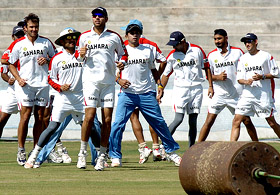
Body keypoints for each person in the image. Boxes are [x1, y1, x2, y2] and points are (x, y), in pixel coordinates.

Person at [109, 23, 181, 168]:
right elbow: (110, 70)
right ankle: (115, 156)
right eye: (131, 32)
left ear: (140, 34)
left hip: (147, 92)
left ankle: (171, 152)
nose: (134, 35)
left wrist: (159, 84)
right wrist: (119, 80)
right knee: (117, 125)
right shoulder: (120, 50)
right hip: (127, 94)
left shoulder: (149, 48)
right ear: (126, 35)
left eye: (137, 32)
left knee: (159, 123)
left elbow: (156, 66)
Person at [24, 27, 84, 168]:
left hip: (81, 97)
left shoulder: (83, 55)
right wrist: (60, 87)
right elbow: (50, 78)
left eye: (74, 38)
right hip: (63, 98)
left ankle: (97, 157)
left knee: (93, 127)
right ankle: (34, 157)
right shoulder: (57, 58)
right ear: (62, 41)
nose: (71, 41)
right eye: (68, 39)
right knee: (52, 127)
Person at [76, 7, 128, 171]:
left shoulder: (114, 36)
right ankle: (82, 154)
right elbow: (79, 58)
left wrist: (122, 63)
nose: (97, 18)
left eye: (100, 16)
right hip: (91, 82)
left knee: (107, 120)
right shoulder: (84, 36)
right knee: (89, 117)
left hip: (108, 83)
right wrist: (81, 54)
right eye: (95, 16)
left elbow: (123, 54)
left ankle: (102, 156)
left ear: (106, 18)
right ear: (92, 18)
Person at [8, 13, 56, 165]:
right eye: (31, 27)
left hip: (42, 84)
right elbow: (10, 63)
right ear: (25, 28)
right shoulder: (19, 44)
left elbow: (56, 60)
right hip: (26, 85)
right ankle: (21, 149)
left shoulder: (46, 42)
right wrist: (18, 78)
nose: (34, 29)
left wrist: (47, 59)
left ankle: (36, 150)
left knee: (41, 118)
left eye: (36, 27)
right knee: (25, 116)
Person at [118, 19, 167, 163]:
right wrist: (157, 80)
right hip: (148, 85)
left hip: (134, 87)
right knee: (152, 117)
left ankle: (143, 148)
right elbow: (163, 61)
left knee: (135, 117)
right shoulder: (152, 45)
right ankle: (156, 147)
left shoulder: (125, 46)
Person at [198, 29, 258, 142]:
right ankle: (195, 150)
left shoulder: (237, 52)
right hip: (219, 94)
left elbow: (246, 67)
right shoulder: (211, 55)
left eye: (219, 38)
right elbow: (208, 75)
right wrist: (216, 79)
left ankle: (258, 146)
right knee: (209, 121)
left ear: (226, 38)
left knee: (247, 121)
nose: (217, 41)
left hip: (236, 94)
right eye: (215, 39)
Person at [161, 31, 214, 147]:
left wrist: (210, 86)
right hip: (181, 90)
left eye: (176, 44)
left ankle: (191, 149)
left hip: (196, 89)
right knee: (178, 119)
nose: (174, 47)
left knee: (193, 121)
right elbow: (166, 75)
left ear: (183, 42)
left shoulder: (197, 50)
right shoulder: (172, 56)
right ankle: (162, 146)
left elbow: (207, 67)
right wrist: (161, 88)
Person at [230, 33, 280, 141]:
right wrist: (246, 81)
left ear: (255, 42)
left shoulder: (266, 56)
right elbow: (239, 79)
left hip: (263, 95)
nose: (247, 44)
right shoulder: (243, 58)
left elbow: (276, 73)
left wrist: (262, 76)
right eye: (245, 42)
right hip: (247, 95)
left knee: (271, 123)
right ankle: (230, 150)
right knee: (236, 120)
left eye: (249, 41)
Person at [0, 26, 25, 139]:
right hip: (14, 90)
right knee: (2, 119)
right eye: (17, 35)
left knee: (42, 119)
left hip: (29, 88)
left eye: (21, 35)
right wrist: (8, 79)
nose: (19, 37)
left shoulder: (29, 48)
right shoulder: (8, 52)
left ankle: (44, 150)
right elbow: (3, 72)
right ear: (12, 37)